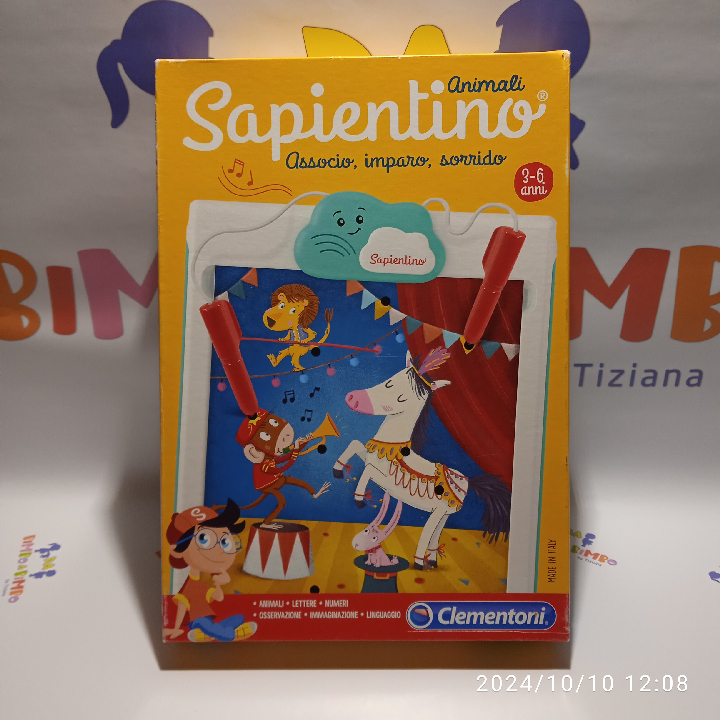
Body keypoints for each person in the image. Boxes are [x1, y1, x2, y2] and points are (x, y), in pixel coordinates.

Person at [164, 500, 257, 642]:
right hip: (196, 621)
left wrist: (219, 583)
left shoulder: (201, 584)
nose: (220, 549)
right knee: (205, 623)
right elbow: (182, 607)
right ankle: (230, 635)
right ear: (178, 550)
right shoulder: (188, 586)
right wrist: (176, 628)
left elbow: (218, 597)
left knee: (239, 618)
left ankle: (209, 633)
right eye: (204, 539)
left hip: (208, 620)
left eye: (225, 541)